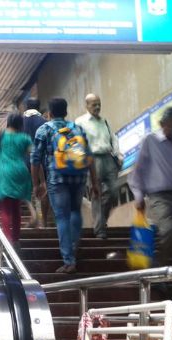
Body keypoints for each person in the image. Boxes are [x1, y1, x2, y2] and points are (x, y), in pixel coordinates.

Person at [128, 106, 172, 300]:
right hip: (159, 197)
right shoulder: (150, 141)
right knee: (170, 231)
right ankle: (156, 268)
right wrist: (139, 196)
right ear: (162, 123)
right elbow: (137, 172)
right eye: (169, 123)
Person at [31, 97, 100, 274]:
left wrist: (36, 184)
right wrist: (95, 181)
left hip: (57, 178)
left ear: (49, 114)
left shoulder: (44, 129)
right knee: (75, 211)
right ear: (66, 111)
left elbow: (35, 159)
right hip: (79, 177)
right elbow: (89, 156)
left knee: (62, 217)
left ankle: (69, 261)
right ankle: (74, 246)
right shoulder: (77, 128)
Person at [75, 93, 123, 239]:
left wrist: (118, 154)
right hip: (92, 160)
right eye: (94, 104)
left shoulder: (104, 121)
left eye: (99, 104)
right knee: (97, 194)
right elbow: (77, 143)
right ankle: (100, 230)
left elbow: (113, 138)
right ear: (87, 105)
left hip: (108, 158)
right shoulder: (80, 122)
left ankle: (101, 221)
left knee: (114, 192)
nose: (97, 107)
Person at [0, 113, 33, 245]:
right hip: (20, 171)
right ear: (21, 124)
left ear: (8, 122)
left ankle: (7, 241)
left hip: (3, 171)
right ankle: (16, 239)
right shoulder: (25, 137)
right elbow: (31, 154)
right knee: (16, 208)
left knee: (5, 208)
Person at [24, 97, 49, 227]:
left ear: (26, 106)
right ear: (39, 107)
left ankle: (33, 216)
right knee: (43, 189)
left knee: (27, 190)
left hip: (23, 161)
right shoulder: (43, 122)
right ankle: (44, 221)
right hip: (41, 160)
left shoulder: (19, 122)